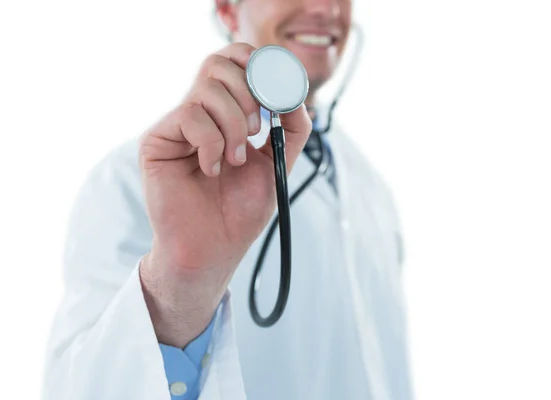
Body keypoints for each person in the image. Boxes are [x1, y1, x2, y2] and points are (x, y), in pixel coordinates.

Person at [42, 0, 413, 399]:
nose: (324, 7)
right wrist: (181, 284)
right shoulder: (133, 180)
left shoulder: (371, 186)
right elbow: (81, 388)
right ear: (227, 10)